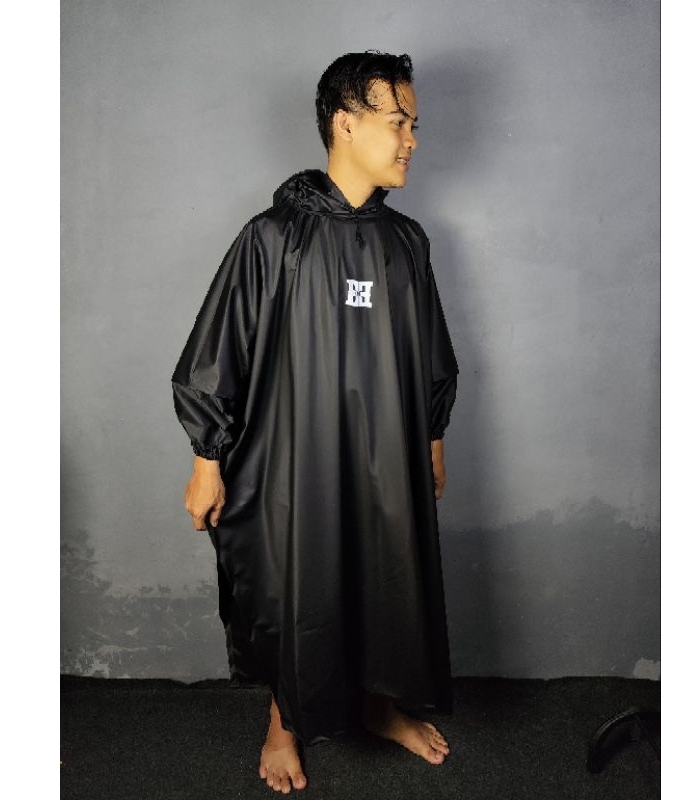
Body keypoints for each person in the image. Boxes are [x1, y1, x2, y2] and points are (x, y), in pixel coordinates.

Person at [172, 51, 458, 794]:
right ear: (345, 123)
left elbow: (431, 349)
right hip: (297, 455)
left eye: (415, 126)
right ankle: (283, 723)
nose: (411, 140)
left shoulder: (407, 242)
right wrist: (206, 459)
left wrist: (432, 436)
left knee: (387, 571)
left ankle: (379, 706)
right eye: (398, 122)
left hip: (388, 451)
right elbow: (218, 351)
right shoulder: (274, 238)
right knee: (299, 581)